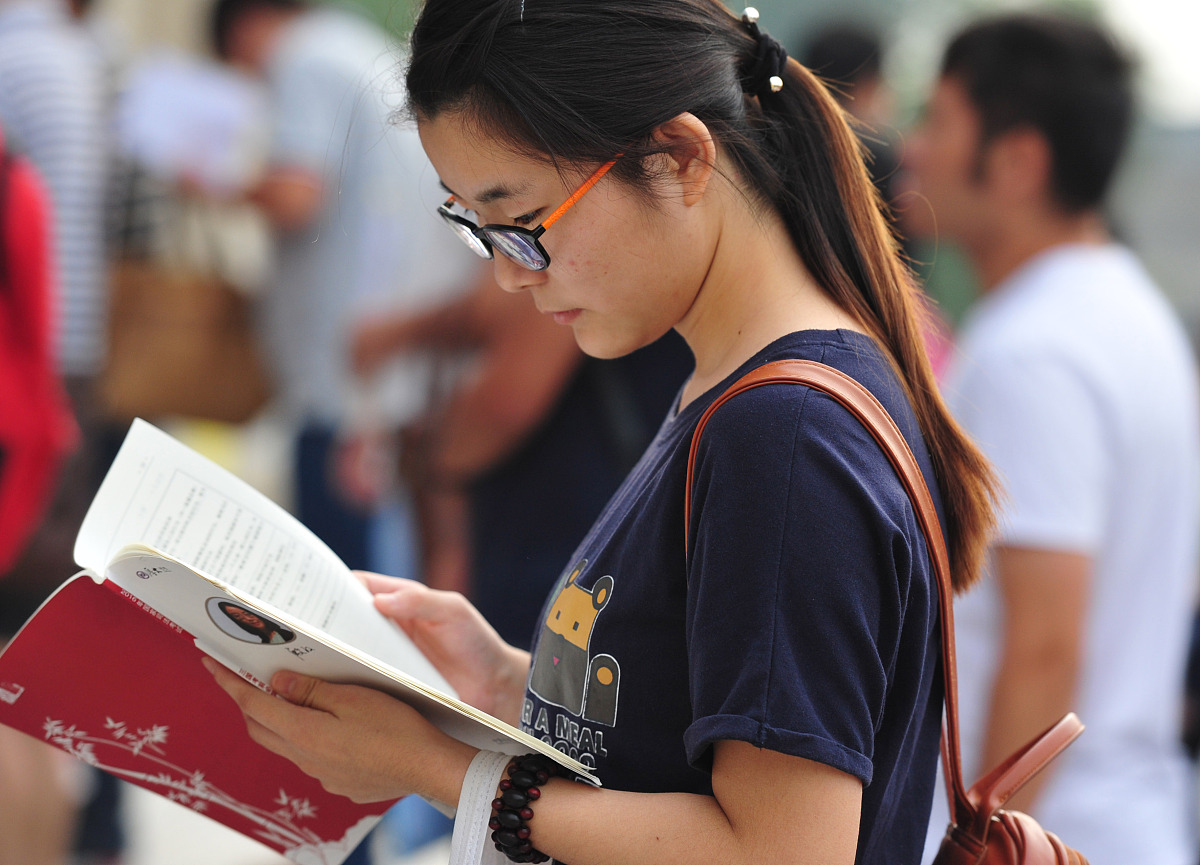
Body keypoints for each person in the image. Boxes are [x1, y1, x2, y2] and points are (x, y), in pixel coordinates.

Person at [204, 2, 998, 864]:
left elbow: (783, 850)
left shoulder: (783, 432)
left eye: (526, 221)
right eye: (479, 230)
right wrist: (504, 681)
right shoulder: (730, 380)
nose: (511, 274)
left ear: (680, 158)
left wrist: (439, 769)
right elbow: (669, 745)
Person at [903, 15, 1200, 865]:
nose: (914, 151)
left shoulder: (1034, 351)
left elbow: (1043, 645)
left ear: (1018, 161)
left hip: (1060, 832)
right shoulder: (1122, 308)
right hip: (1117, 815)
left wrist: (979, 849)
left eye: (940, 122)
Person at [210, 0, 470, 574]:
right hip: (387, 344)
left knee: (337, 568)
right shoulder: (349, 45)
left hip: (345, 367)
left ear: (242, 30)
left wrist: (212, 180)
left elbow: (298, 194)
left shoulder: (301, 60)